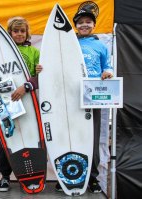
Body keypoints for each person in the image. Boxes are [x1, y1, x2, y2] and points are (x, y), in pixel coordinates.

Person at [0, 16, 41, 192]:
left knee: (30, 136)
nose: (19, 34)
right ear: (10, 33)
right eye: (15, 31)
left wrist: (27, 86)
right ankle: (5, 177)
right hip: (5, 102)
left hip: (28, 101)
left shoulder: (34, 52)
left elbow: (42, 76)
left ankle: (30, 175)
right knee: (7, 138)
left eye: (22, 31)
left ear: (27, 33)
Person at [55, 6, 113, 194]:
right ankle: (65, 176)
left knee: (92, 137)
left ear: (94, 25)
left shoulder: (101, 46)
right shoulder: (68, 43)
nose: (84, 25)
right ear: (75, 26)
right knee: (69, 136)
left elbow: (108, 66)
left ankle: (93, 178)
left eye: (88, 22)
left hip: (92, 97)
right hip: (70, 95)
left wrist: (107, 72)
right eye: (80, 22)